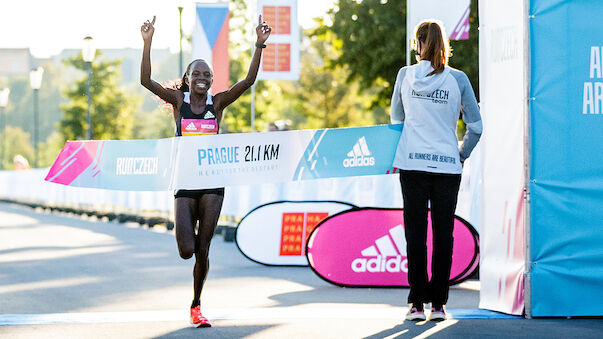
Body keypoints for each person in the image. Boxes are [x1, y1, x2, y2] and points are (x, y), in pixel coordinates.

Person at [140, 15, 271, 327]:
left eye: (207, 74)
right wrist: (147, 43)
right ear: (187, 78)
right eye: (196, 73)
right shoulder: (178, 101)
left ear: (212, 80)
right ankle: (192, 236)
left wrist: (258, 46)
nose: (202, 77)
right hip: (185, 183)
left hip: (212, 184)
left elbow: (248, 81)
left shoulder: (218, 103)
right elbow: (146, 81)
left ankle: (196, 305)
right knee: (187, 250)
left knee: (203, 250)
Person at [390, 20, 482, 321]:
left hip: (413, 164)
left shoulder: (405, 75)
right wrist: (460, 154)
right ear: (445, 42)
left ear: (418, 43)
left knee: (415, 234)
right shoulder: (459, 79)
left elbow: (397, 121)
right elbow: (476, 127)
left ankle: (416, 303)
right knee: (444, 235)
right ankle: (439, 305)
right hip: (446, 166)